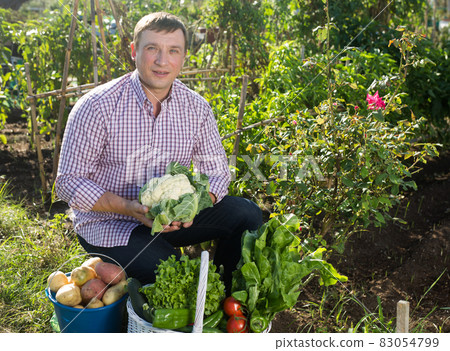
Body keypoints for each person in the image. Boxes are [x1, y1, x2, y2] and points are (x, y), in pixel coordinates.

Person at [55, 12, 262, 293]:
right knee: (173, 272)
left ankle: (230, 296)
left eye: (173, 51)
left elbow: (217, 173)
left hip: (174, 217)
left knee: (246, 214)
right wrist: (130, 208)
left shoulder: (196, 108)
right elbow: (68, 182)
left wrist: (193, 206)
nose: (162, 61)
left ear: (184, 57)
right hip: (111, 223)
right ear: (133, 51)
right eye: (152, 48)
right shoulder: (96, 106)